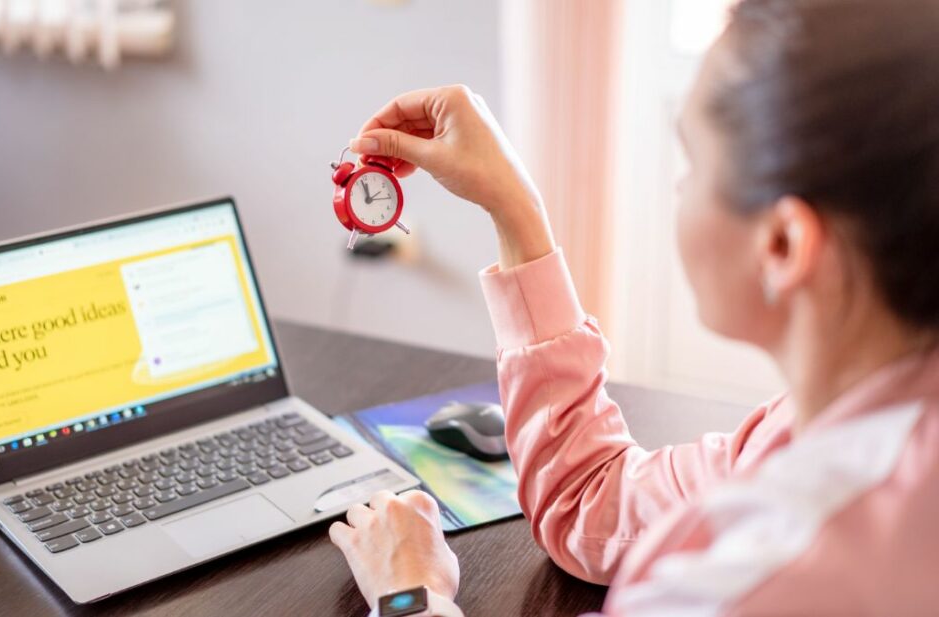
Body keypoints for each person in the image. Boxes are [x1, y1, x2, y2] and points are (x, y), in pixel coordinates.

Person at [327, 0, 939, 614]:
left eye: (694, 162)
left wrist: (411, 594)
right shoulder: (832, 429)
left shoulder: (749, 582)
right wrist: (515, 208)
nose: (679, 187)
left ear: (782, 244)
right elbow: (592, 505)